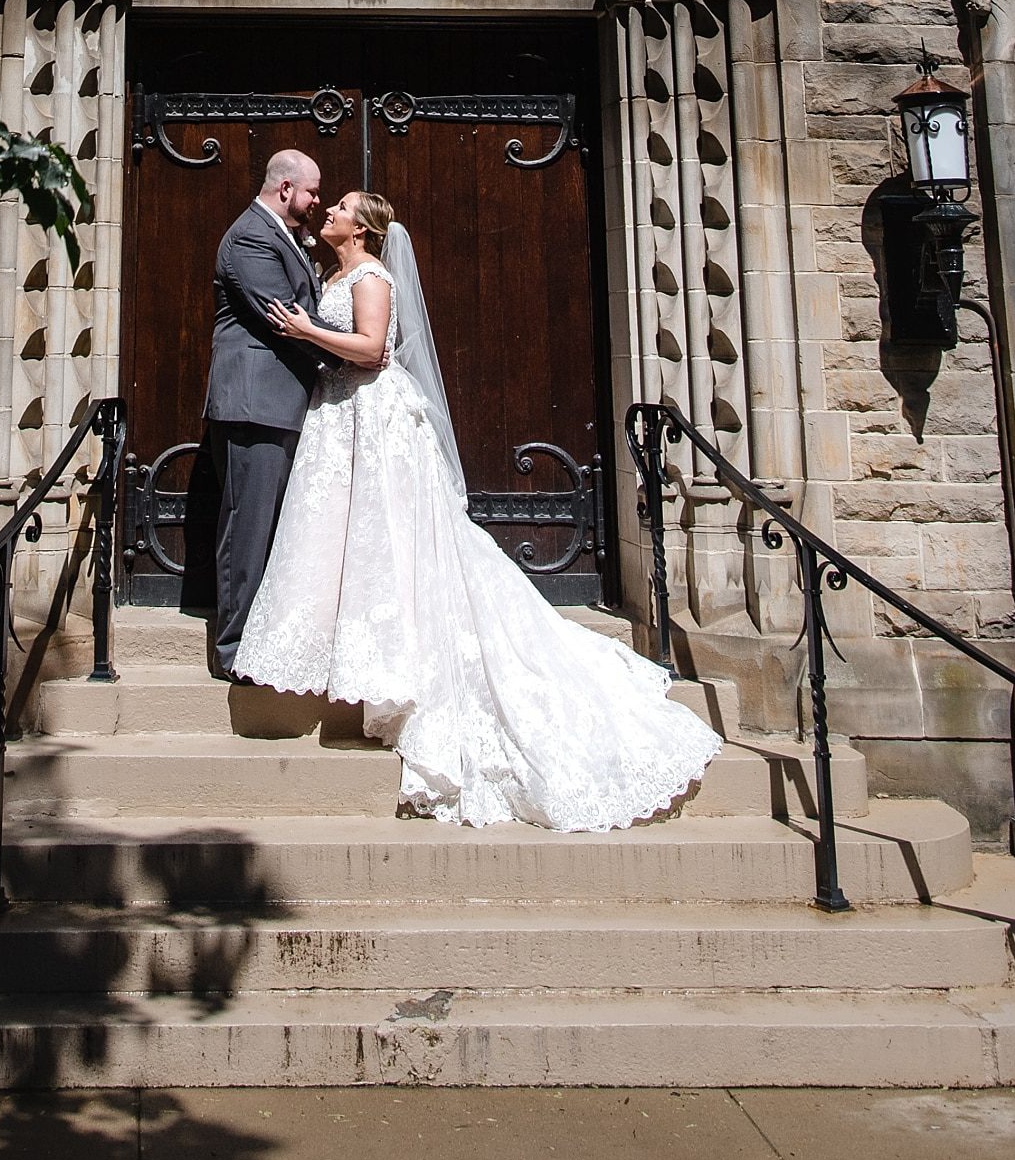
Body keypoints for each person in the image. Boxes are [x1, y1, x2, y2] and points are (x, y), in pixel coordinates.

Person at [231, 188, 722, 829]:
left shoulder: (373, 276)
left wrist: (306, 330)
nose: (329, 212)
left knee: (393, 538)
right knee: (348, 540)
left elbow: (375, 351)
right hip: (341, 415)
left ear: (363, 228)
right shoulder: (334, 270)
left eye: (341, 206)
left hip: (375, 418)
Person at [178, 147, 326, 680]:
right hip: (255, 404)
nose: (316, 202)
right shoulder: (249, 237)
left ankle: (264, 639)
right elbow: (287, 317)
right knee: (248, 525)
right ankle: (235, 650)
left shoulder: (282, 235)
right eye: (311, 192)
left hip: (280, 404)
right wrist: (357, 348)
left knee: (272, 527)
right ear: (285, 187)